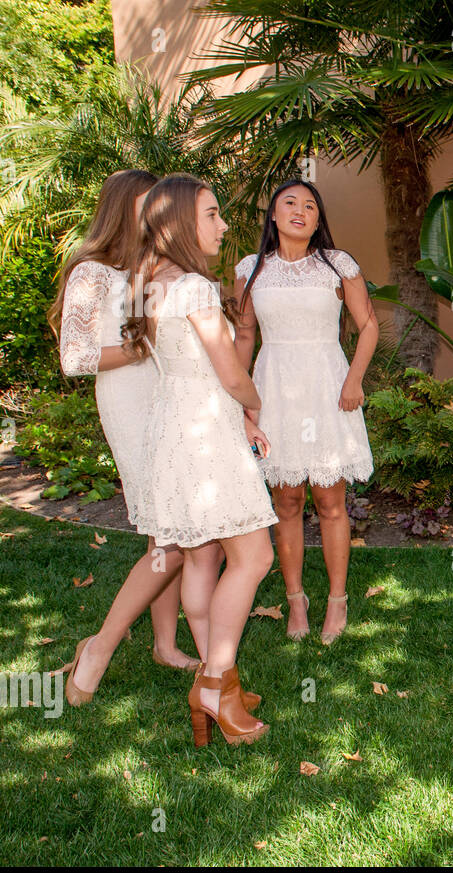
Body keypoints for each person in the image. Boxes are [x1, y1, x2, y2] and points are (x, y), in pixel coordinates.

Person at [128, 173, 278, 746]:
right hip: (205, 438)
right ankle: (215, 682)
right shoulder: (191, 286)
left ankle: (223, 682)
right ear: (180, 224)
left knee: (199, 557)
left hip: (175, 430)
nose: (222, 225)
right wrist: (254, 406)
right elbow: (231, 371)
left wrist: (235, 412)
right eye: (212, 215)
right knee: (253, 556)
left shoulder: (150, 283)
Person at [51, 168, 202, 708]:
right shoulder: (91, 272)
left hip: (179, 400)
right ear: (123, 208)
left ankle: (164, 643)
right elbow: (76, 358)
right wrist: (146, 345)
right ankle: (100, 646)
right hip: (131, 402)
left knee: (167, 531)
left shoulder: (158, 269)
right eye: (150, 205)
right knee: (175, 536)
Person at [232, 179, 378, 645]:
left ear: (319, 219)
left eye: (310, 205)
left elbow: (368, 324)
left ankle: (337, 602)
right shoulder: (251, 269)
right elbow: (245, 336)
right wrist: (241, 403)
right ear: (273, 215)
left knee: (331, 502)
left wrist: (354, 379)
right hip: (274, 388)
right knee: (286, 501)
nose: (300, 211)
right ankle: (296, 600)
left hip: (327, 386)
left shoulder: (338, 264)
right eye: (289, 203)